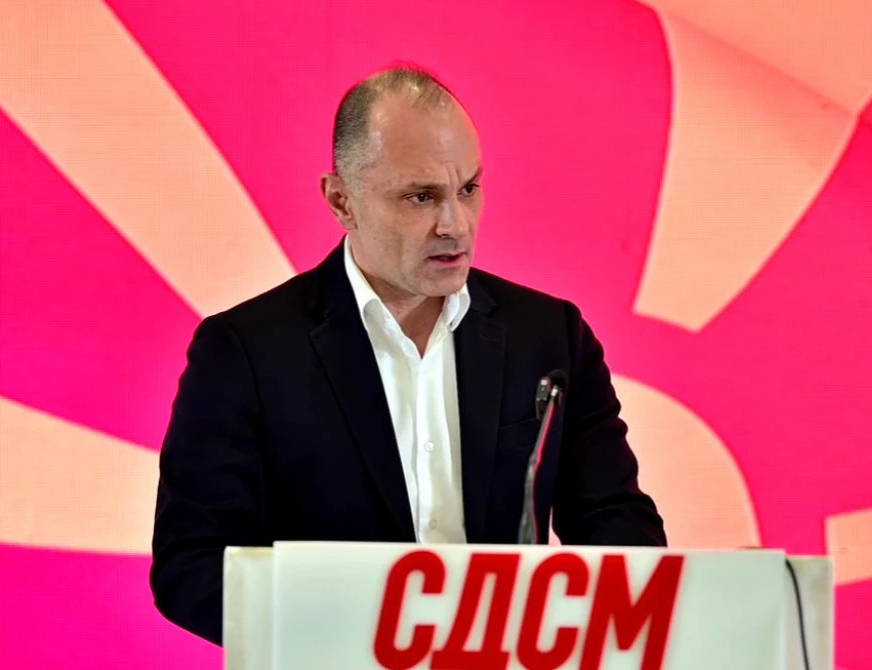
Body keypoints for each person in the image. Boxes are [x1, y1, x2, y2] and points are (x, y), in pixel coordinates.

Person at [150, 65, 666, 645]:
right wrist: (368, 636)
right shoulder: (246, 352)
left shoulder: (549, 336)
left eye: (468, 189)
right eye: (420, 197)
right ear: (342, 201)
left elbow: (614, 521)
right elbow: (193, 567)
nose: (455, 225)